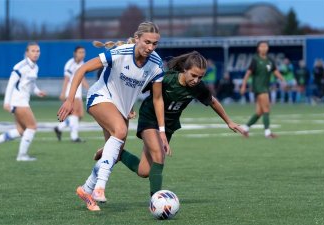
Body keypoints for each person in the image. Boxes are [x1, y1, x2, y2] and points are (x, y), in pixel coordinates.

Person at [94, 51, 246, 198]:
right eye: (193, 75)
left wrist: (229, 122)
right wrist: (130, 106)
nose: (196, 80)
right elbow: (136, 88)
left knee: (144, 171)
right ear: (184, 70)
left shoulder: (198, 87)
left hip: (169, 126)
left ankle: (116, 153)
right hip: (150, 119)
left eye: (200, 77)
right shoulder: (166, 79)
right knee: (159, 156)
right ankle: (157, 199)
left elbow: (212, 101)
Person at [57, 21, 169, 211]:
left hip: (121, 109)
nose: (150, 47)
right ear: (136, 39)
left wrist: (162, 130)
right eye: (147, 42)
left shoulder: (156, 64)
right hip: (99, 97)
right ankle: (100, 188)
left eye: (155, 44)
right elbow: (81, 69)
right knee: (120, 129)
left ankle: (86, 189)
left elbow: (157, 99)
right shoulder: (120, 53)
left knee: (115, 155)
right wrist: (69, 100)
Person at [0, 42, 46, 161]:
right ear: (26, 53)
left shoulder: (35, 67)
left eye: (38, 51)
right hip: (18, 101)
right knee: (32, 126)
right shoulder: (20, 67)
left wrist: (37, 91)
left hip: (23, 101)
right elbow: (11, 84)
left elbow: (31, 83)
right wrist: (6, 102)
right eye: (33, 51)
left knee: (21, 131)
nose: (36, 53)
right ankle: (22, 155)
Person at [240, 41, 285, 138]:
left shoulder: (270, 60)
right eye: (262, 46)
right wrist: (243, 85)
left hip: (265, 87)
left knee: (259, 112)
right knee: (266, 109)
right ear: (258, 48)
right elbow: (248, 73)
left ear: (268, 48)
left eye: (265, 46)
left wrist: (282, 79)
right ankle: (267, 133)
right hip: (259, 87)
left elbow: (275, 71)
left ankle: (245, 129)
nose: (264, 48)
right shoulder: (255, 59)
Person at [54, 46, 89, 143]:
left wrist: (89, 89)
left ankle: (59, 128)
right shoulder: (70, 64)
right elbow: (66, 79)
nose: (82, 54)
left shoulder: (82, 64)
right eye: (80, 52)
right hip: (71, 93)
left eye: (83, 52)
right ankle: (74, 137)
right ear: (75, 53)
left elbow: (82, 78)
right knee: (76, 114)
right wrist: (63, 93)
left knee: (79, 115)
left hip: (78, 93)